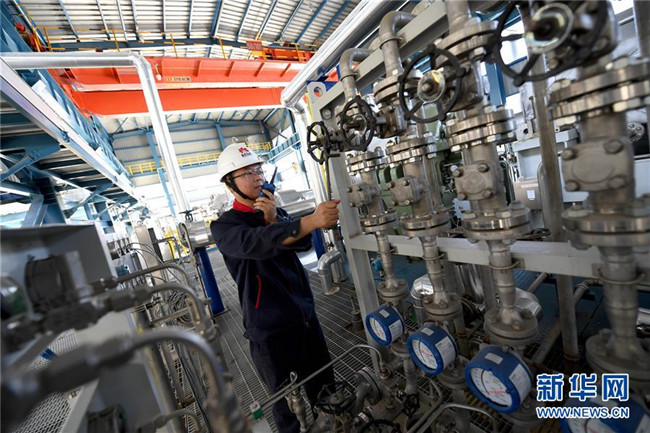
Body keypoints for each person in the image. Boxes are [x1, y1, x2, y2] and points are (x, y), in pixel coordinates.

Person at [211, 144, 340, 432]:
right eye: (247, 173)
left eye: (259, 169)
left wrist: (274, 219)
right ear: (230, 184)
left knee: (325, 390)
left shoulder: (274, 211)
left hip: (305, 318)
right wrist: (309, 220)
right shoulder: (224, 227)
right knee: (287, 407)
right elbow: (257, 243)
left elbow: (303, 244)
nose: (258, 177)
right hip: (270, 330)